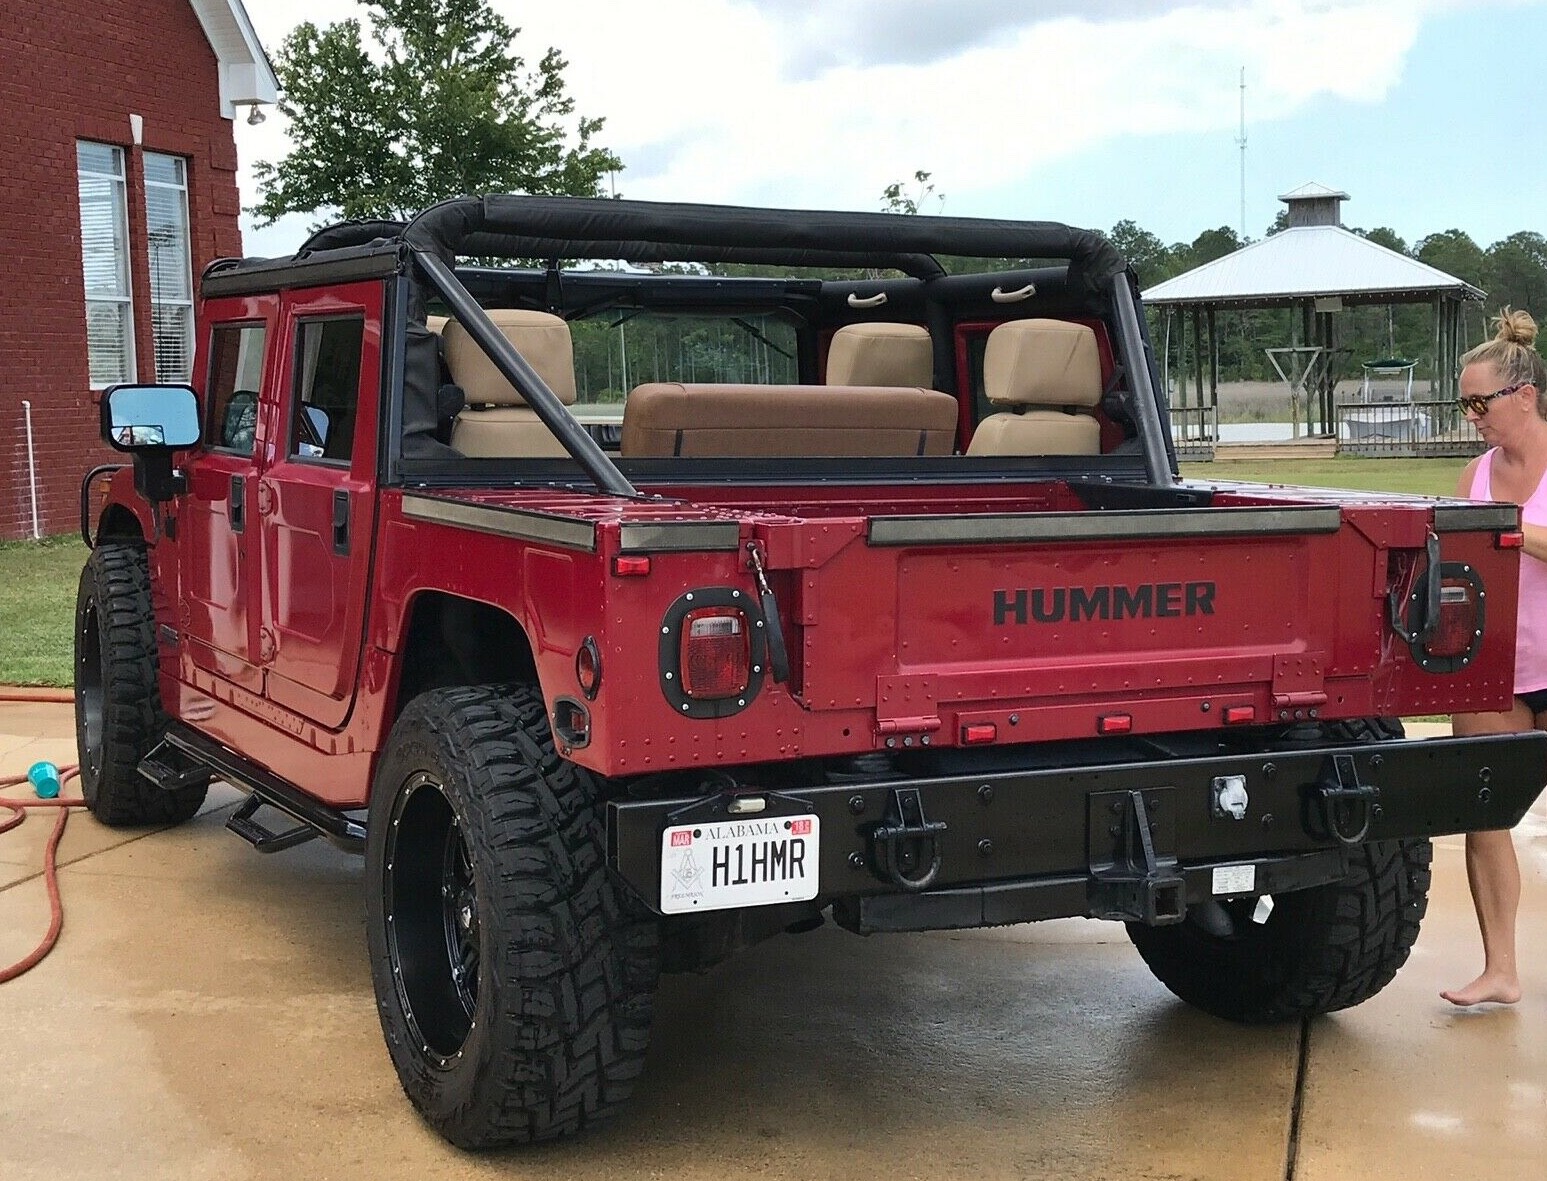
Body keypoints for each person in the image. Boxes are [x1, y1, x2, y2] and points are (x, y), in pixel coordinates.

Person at [1443, 306, 1547, 1007]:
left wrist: (1510, 531)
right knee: (1483, 813)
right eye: (1465, 403)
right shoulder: (1471, 479)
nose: (1472, 416)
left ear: (1526, 396)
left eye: (1481, 402)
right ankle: (1500, 971)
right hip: (1497, 672)